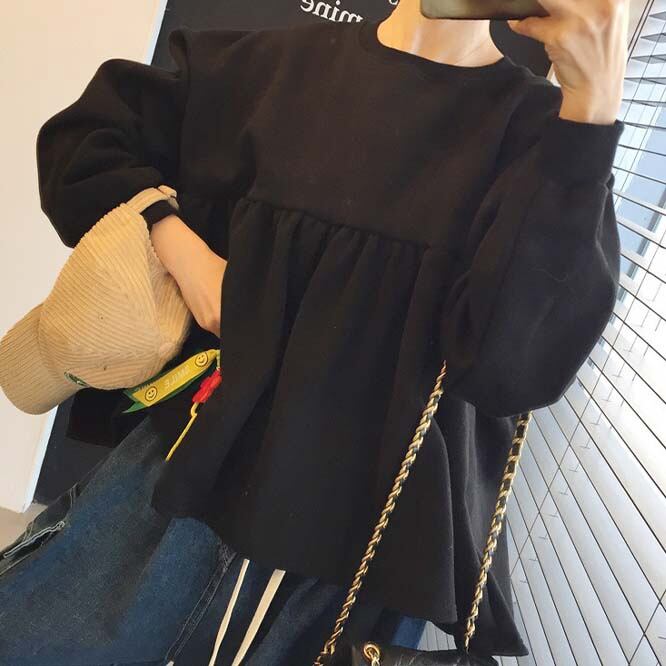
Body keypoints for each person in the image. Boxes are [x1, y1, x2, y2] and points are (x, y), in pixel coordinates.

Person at [0, 0, 627, 664]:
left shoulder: (542, 142)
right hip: (176, 494)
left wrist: (594, 108)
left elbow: (515, 371)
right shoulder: (262, 69)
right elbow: (83, 143)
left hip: (356, 565)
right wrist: (180, 246)